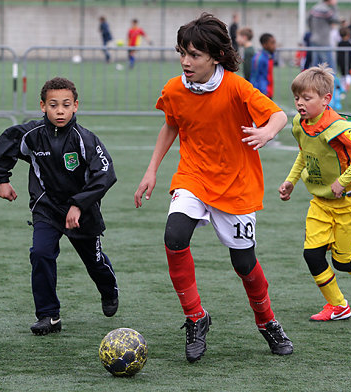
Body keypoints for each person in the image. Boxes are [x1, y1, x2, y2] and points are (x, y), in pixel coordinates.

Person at [134, 13, 293, 363]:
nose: (185, 61)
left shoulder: (236, 87)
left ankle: (267, 322)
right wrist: (152, 170)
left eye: (194, 55)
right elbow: (170, 126)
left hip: (236, 184)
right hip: (193, 176)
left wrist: (267, 132)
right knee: (174, 237)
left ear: (216, 56)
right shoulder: (175, 89)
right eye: (182, 53)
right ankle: (195, 318)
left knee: (244, 263)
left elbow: (279, 115)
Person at [0, 77, 118, 335]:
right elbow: (3, 148)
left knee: (95, 262)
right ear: (43, 106)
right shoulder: (32, 135)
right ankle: (49, 315)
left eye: (66, 105)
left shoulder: (85, 139)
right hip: (46, 208)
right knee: (41, 253)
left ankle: (108, 288)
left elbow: (105, 173)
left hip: (82, 211)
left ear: (75, 106)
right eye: (54, 104)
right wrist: (3, 180)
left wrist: (79, 205)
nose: (60, 110)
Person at [278, 64, 351, 322]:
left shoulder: (337, 127)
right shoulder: (299, 123)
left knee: (343, 262)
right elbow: (305, 153)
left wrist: (344, 180)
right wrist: (291, 181)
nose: (300, 104)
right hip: (320, 201)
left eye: (307, 98)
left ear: (326, 99)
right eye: (297, 98)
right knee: (312, 254)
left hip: (350, 202)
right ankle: (338, 305)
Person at [307, 0, 339, 69]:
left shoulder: (314, 8)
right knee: (329, 69)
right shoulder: (326, 10)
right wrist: (334, 6)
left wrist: (313, 31)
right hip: (324, 41)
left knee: (315, 68)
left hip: (314, 39)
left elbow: (308, 21)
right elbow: (336, 19)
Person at [250, 33, 276, 99]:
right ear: (265, 45)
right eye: (272, 43)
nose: (275, 46)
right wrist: (262, 92)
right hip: (262, 93)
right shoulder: (259, 59)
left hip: (269, 91)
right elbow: (255, 77)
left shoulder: (269, 56)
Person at [336, 26, 351, 92]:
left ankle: (343, 87)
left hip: (341, 62)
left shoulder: (339, 43)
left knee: (343, 75)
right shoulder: (349, 44)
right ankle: (345, 86)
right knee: (348, 75)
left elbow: (338, 55)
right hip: (348, 62)